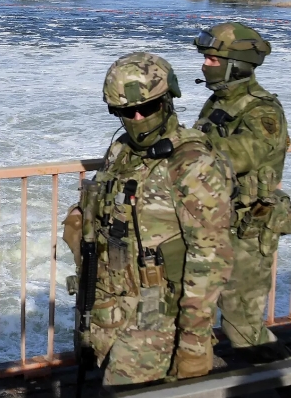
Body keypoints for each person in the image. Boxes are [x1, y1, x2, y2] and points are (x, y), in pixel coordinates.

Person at [62, 52, 234, 387]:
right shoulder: (122, 151)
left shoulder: (192, 163)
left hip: (157, 317)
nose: (138, 117)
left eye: (148, 107)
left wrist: (193, 345)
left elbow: (210, 261)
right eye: (126, 112)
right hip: (110, 305)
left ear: (168, 99)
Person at [192, 22, 291, 362]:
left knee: (242, 324)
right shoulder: (218, 102)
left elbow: (242, 152)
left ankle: (278, 375)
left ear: (238, 65)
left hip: (248, 228)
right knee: (194, 311)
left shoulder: (262, 110)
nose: (205, 64)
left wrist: (185, 147)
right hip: (213, 223)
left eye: (213, 60)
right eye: (206, 58)